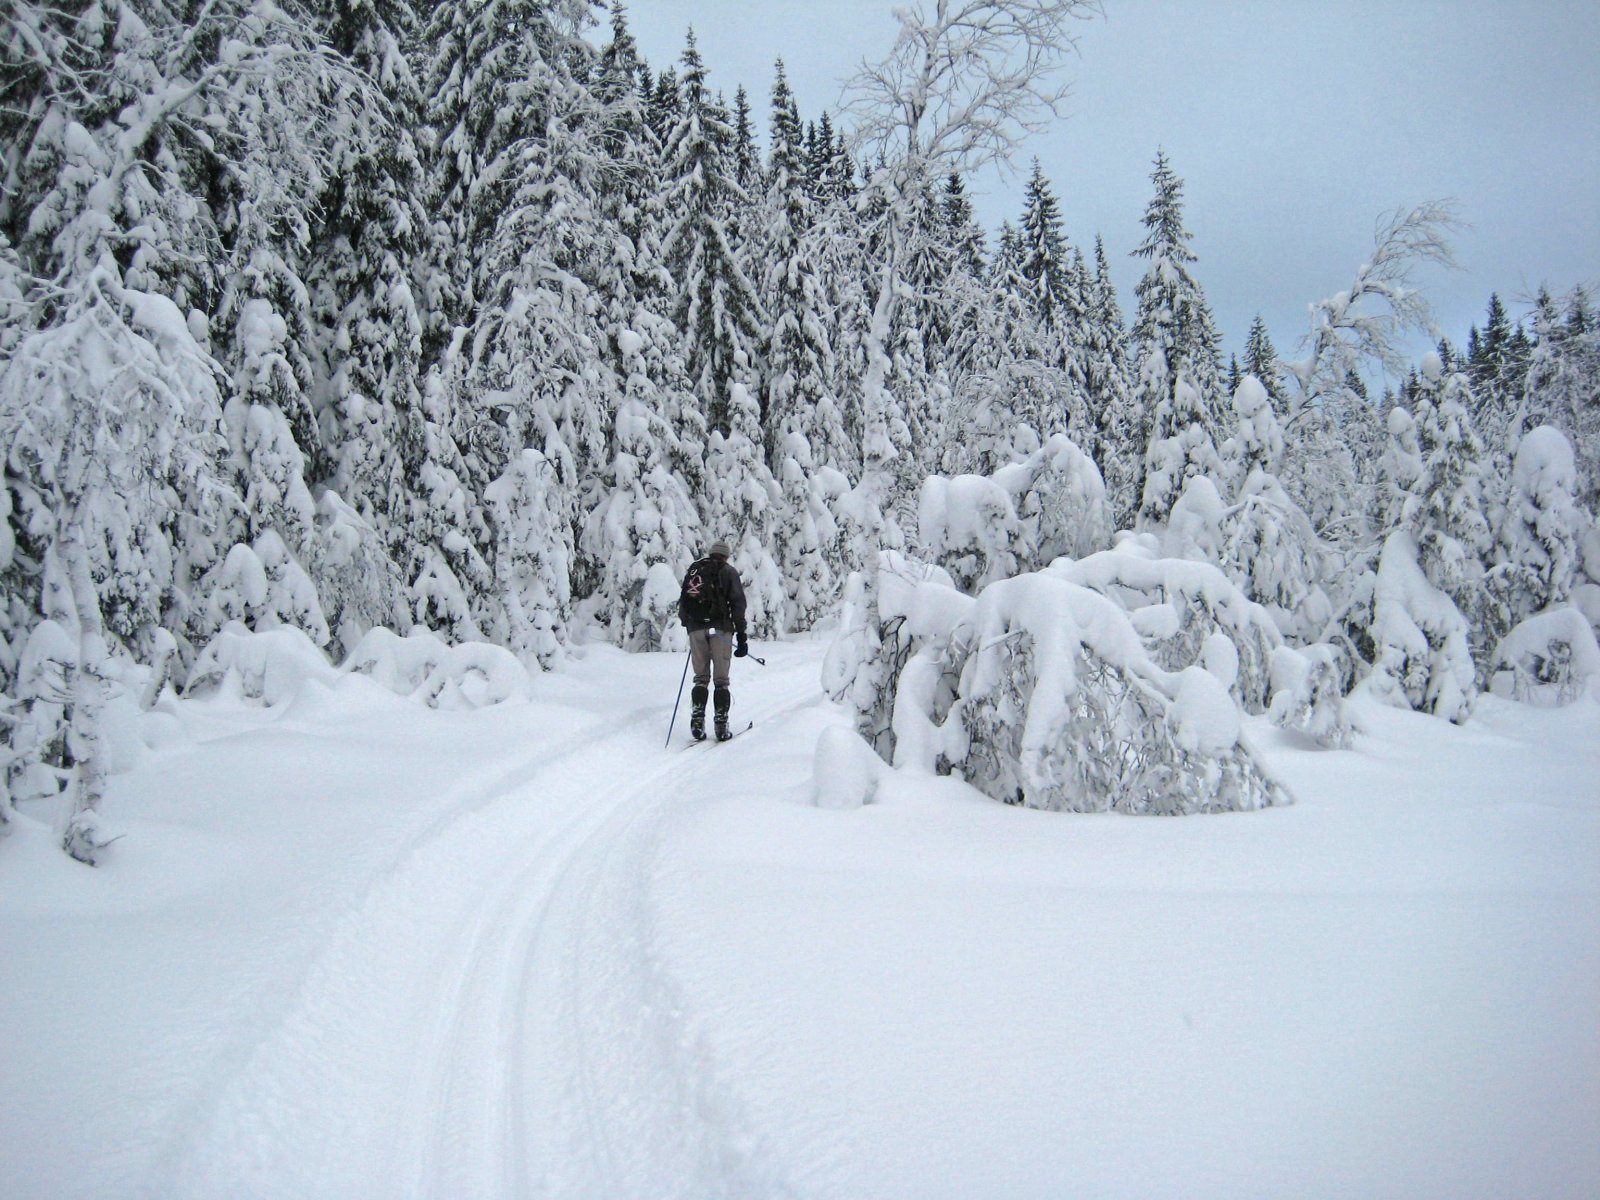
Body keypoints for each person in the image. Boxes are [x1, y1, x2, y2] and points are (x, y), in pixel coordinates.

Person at [678, 539, 749, 741]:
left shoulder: (695, 570)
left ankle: (697, 719)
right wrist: (742, 635)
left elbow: (684, 601)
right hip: (720, 630)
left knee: (700, 678)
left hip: (696, 629)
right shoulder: (728, 572)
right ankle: (721, 724)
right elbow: (737, 604)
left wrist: (690, 625)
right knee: (721, 680)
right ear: (725, 556)